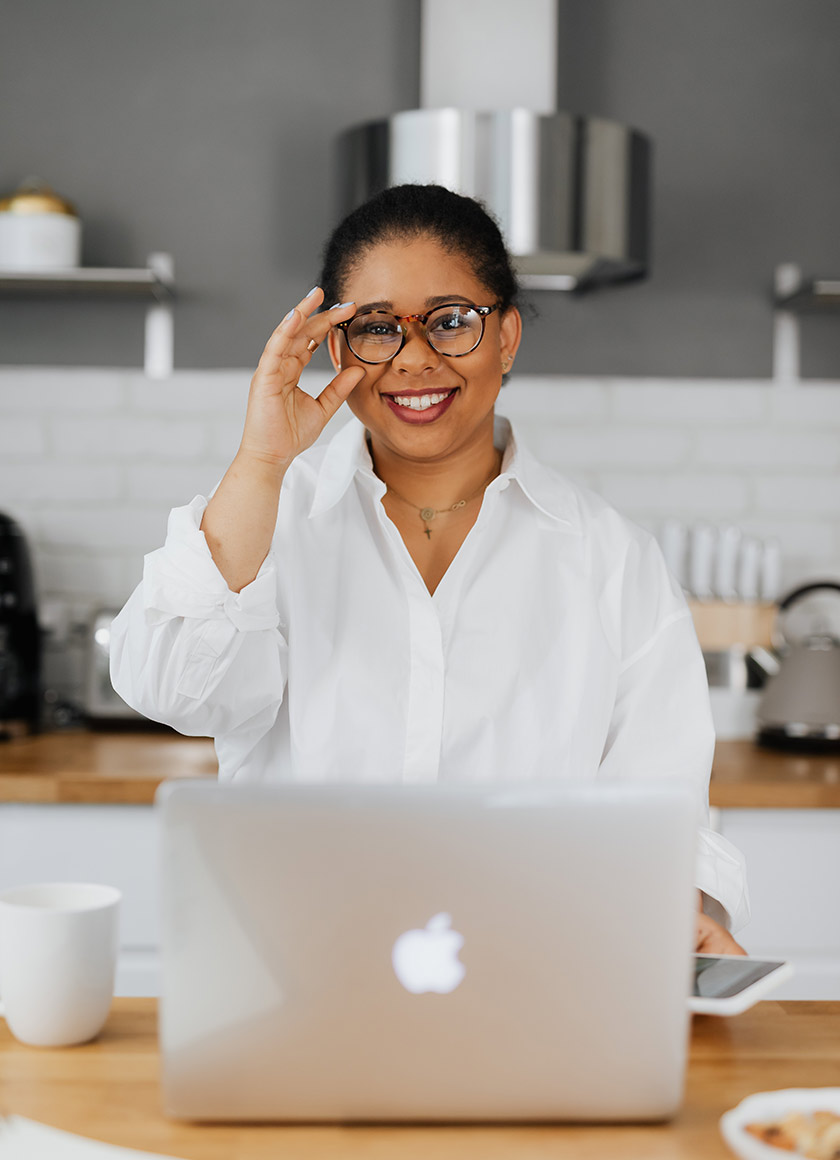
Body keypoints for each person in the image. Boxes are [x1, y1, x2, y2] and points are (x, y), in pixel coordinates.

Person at [110, 183, 748, 955]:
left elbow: (665, 807)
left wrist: (678, 910)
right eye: (377, 328)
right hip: (292, 980)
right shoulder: (268, 518)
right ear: (337, 349)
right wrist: (261, 459)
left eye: (451, 321)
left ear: (507, 337)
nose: (414, 359)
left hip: (536, 989)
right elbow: (170, 688)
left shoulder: (615, 560)